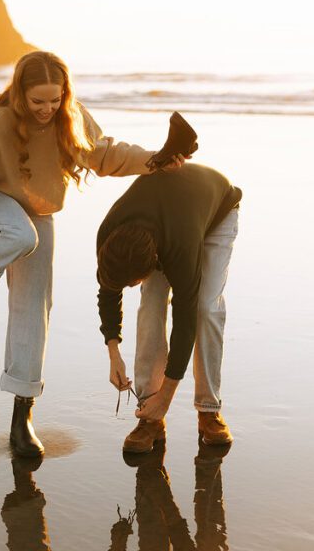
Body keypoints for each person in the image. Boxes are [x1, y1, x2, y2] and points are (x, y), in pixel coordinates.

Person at [0, 50, 184, 457]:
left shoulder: (70, 115)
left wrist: (156, 160)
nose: (47, 109)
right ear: (20, 94)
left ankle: (22, 419)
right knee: (19, 236)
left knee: (34, 307)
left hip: (38, 209)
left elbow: (104, 154)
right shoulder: (1, 123)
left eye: (54, 100)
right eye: (38, 101)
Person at [96, 163, 242, 453]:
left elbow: (185, 322)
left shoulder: (180, 246)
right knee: (150, 305)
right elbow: (108, 290)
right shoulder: (109, 235)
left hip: (217, 210)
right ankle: (149, 415)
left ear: (153, 261)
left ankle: (208, 409)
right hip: (171, 212)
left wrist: (167, 396)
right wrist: (113, 352)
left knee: (205, 309)